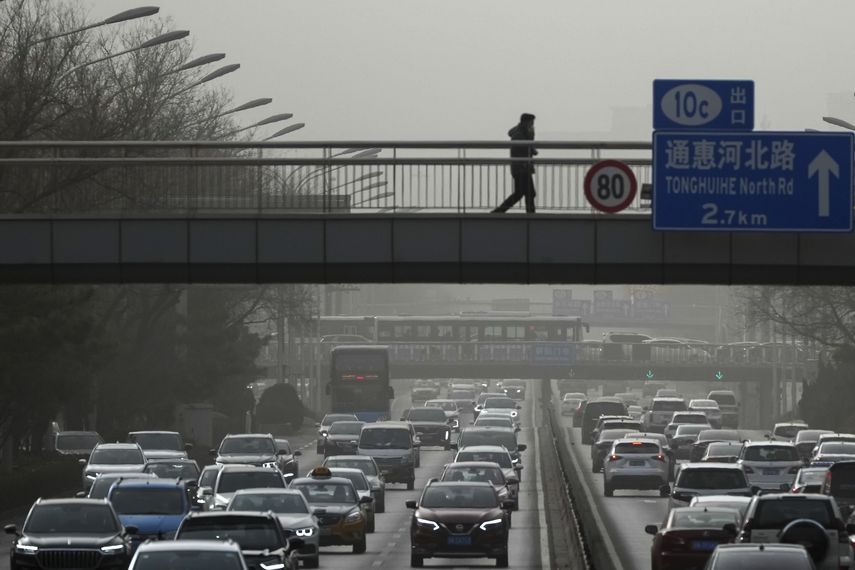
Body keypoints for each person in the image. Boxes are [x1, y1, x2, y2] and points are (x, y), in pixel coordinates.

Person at [492, 113, 538, 213]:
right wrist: (532, 145)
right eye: (531, 122)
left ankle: (499, 211)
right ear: (526, 122)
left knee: (523, 193)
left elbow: (526, 147)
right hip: (521, 167)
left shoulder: (522, 132)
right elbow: (524, 147)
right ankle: (530, 216)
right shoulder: (520, 134)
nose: (533, 125)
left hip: (521, 167)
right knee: (526, 193)